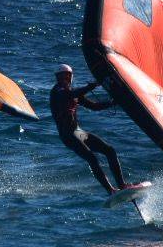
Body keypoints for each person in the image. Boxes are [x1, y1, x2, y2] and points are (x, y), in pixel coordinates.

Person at [50, 65, 128, 195]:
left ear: (70, 76)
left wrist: (113, 102)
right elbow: (70, 94)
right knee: (92, 158)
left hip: (78, 132)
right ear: (58, 78)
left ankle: (122, 185)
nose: (66, 78)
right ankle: (111, 190)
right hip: (67, 135)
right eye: (63, 76)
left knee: (109, 151)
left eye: (67, 75)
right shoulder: (57, 91)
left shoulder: (73, 93)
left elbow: (94, 106)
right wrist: (91, 86)